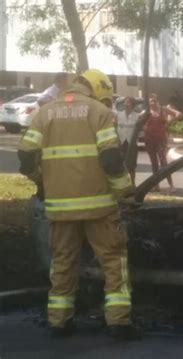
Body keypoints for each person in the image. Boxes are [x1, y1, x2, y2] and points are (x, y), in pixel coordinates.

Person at [18, 69, 140, 341]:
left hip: (60, 208)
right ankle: (118, 323)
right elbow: (110, 160)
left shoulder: (45, 112)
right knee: (113, 260)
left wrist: (43, 182)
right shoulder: (99, 113)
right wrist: (126, 194)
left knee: (62, 262)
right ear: (98, 89)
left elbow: (25, 157)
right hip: (100, 207)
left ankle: (59, 322)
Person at [143, 93, 182, 192]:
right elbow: (139, 122)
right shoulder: (146, 112)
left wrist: (169, 122)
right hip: (149, 140)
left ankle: (171, 185)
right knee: (154, 163)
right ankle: (156, 186)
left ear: (157, 100)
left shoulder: (163, 109)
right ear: (148, 102)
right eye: (151, 101)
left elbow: (178, 114)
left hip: (161, 140)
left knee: (163, 162)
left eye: (154, 100)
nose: (153, 103)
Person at [116, 97, 140, 185]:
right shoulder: (118, 115)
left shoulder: (137, 116)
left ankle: (133, 185)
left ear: (132, 105)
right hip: (122, 143)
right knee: (122, 166)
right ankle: (124, 185)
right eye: (125, 103)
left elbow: (139, 130)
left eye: (128, 103)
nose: (126, 104)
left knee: (132, 166)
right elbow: (115, 128)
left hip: (132, 143)